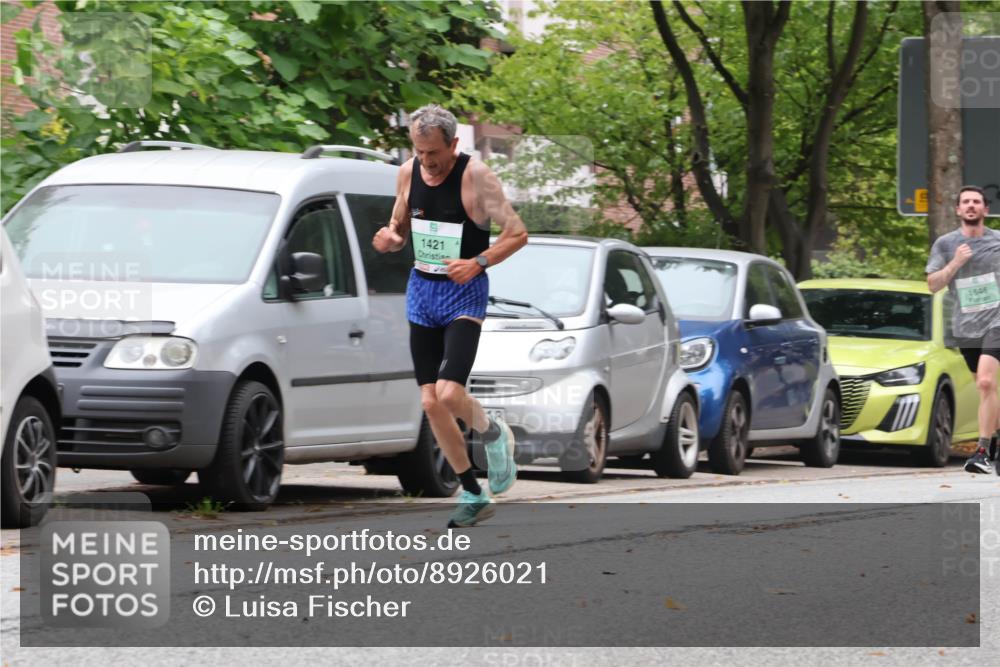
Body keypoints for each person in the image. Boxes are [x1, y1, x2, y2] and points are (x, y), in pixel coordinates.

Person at [373, 104, 528, 525]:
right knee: (430, 402)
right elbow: (399, 227)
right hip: (422, 292)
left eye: (434, 154)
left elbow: (517, 233)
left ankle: (494, 433)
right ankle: (474, 493)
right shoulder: (407, 173)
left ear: (454, 144)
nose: (426, 162)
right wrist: (389, 239)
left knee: (448, 392)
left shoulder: (476, 177)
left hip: (464, 293)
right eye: (419, 152)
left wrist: (478, 261)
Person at [926, 185, 1000, 474]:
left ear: (985, 209)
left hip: (997, 321)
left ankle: (981, 451)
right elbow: (933, 285)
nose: (971, 206)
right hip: (966, 327)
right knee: (987, 389)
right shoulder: (945, 245)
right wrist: (956, 262)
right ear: (958, 209)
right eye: (966, 202)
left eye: (977, 202)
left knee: (984, 381)